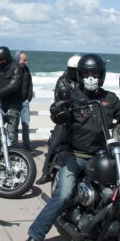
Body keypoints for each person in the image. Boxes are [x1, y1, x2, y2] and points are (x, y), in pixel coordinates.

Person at [19, 54, 120, 241]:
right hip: (76, 155)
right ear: (80, 76)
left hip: (102, 156)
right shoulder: (73, 96)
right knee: (63, 195)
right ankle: (35, 237)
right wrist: (60, 107)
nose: (91, 78)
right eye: (87, 74)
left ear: (101, 76)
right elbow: (58, 114)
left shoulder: (110, 98)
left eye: (95, 74)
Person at [38, 54, 81, 185]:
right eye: (72, 69)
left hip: (82, 117)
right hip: (66, 118)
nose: (74, 72)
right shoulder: (63, 80)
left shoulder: (84, 80)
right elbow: (60, 99)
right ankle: (46, 173)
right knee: (54, 144)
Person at [0, 46, 24, 146]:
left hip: (13, 103)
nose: (1, 61)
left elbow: (13, 85)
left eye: (2, 59)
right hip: (1, 102)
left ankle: (13, 151)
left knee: (11, 130)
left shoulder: (16, 67)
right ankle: (0, 149)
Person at [18, 51, 35, 150]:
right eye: (23, 60)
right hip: (14, 102)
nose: (25, 62)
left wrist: (29, 98)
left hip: (24, 101)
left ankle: (26, 145)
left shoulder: (26, 70)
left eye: (25, 60)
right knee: (13, 125)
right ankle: (13, 146)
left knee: (25, 124)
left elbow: (30, 84)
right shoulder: (13, 69)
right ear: (18, 59)